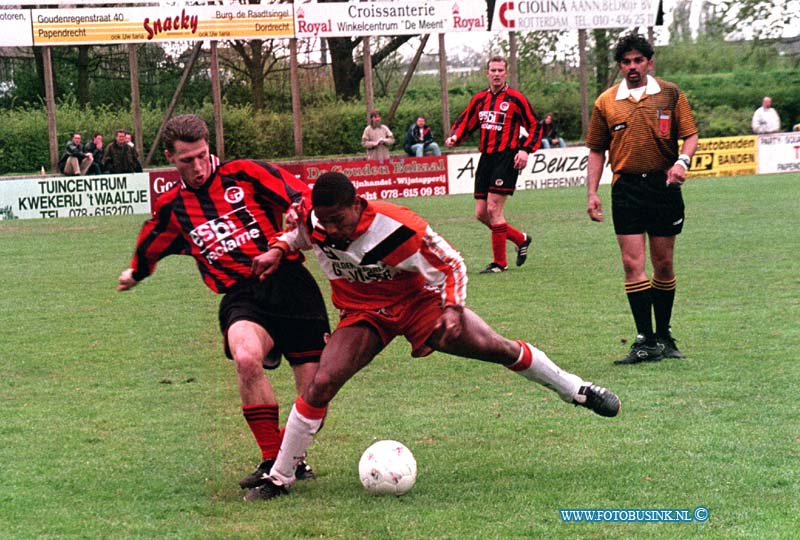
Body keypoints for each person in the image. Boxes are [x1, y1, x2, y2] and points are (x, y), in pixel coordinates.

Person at [243, 171, 622, 501]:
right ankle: (281, 477)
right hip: (363, 312)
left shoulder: (398, 227)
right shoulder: (316, 221)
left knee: (496, 347)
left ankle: (577, 389)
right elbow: (298, 235)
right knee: (321, 383)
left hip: (418, 302)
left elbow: (452, 262)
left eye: (339, 220)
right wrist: (278, 249)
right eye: (325, 221)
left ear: (357, 204)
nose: (333, 229)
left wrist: (454, 310)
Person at [116, 114, 330, 495]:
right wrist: (136, 272)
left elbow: (300, 193)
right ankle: (273, 459)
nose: (197, 168)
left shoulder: (245, 174)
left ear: (209, 149)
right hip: (241, 295)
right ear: (170, 157)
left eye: (201, 156)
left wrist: (300, 209)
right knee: (246, 359)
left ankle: (290, 459)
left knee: (315, 392)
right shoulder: (173, 207)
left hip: (291, 284)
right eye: (186, 160)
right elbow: (153, 241)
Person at [585, 33, 699, 365]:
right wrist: (592, 192)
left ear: (649, 62)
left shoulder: (670, 93)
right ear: (619, 66)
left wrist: (682, 162)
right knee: (631, 265)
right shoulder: (605, 102)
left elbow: (689, 136)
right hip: (626, 189)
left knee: (663, 264)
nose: (632, 67)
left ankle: (663, 334)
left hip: (663, 186)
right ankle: (644, 340)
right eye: (626, 62)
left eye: (638, 60)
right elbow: (596, 150)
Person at [445, 55, 540, 274]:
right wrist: (454, 137)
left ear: (506, 73)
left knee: (493, 208)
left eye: (500, 70)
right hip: (486, 159)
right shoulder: (480, 100)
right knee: (481, 213)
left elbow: (535, 125)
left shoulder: (516, 99)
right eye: (493, 70)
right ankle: (520, 239)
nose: (496, 74)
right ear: (487, 73)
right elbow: (466, 121)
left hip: (506, 158)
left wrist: (525, 149)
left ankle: (499, 263)